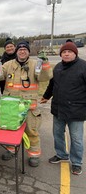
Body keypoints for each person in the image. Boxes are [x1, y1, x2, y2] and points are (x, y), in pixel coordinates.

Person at [0, 41, 52, 167]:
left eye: (25, 49)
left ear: (28, 52)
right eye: (20, 49)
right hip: (12, 107)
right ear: (16, 51)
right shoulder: (8, 65)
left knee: (32, 131)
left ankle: (34, 155)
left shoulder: (36, 64)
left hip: (30, 107)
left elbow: (45, 77)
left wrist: (45, 63)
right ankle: (11, 150)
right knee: (11, 130)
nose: (22, 51)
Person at [41, 42, 86, 175]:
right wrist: (46, 96)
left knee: (76, 138)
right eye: (64, 52)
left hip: (77, 111)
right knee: (58, 134)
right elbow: (52, 84)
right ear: (61, 54)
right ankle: (61, 155)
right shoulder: (58, 67)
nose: (66, 54)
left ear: (75, 53)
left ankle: (77, 162)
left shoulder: (83, 67)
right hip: (59, 109)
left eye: (69, 52)